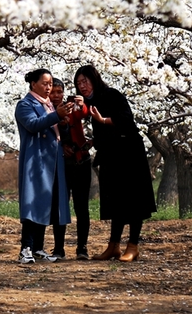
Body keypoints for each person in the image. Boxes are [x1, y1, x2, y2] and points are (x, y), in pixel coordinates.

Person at [73, 65, 156, 262]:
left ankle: (133, 246)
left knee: (134, 200)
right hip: (110, 155)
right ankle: (114, 246)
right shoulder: (91, 102)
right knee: (116, 200)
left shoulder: (111, 94)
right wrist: (93, 141)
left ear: (94, 79)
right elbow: (102, 131)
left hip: (129, 153)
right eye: (78, 83)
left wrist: (102, 120)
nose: (82, 86)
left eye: (85, 81)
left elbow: (126, 119)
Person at [14, 69, 75, 265]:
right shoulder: (25, 105)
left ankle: (38, 248)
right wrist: (57, 114)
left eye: (50, 84)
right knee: (33, 204)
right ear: (33, 84)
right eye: (45, 83)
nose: (49, 87)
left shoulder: (47, 105)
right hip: (36, 160)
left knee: (45, 204)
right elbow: (33, 125)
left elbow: (54, 129)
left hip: (52, 161)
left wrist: (63, 120)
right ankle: (26, 248)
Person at [49, 78, 92, 260]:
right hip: (60, 165)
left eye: (60, 92)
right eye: (53, 92)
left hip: (80, 161)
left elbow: (83, 112)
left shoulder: (70, 107)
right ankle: (59, 248)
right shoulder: (47, 111)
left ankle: (82, 248)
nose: (57, 96)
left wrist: (82, 104)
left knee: (82, 207)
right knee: (60, 206)